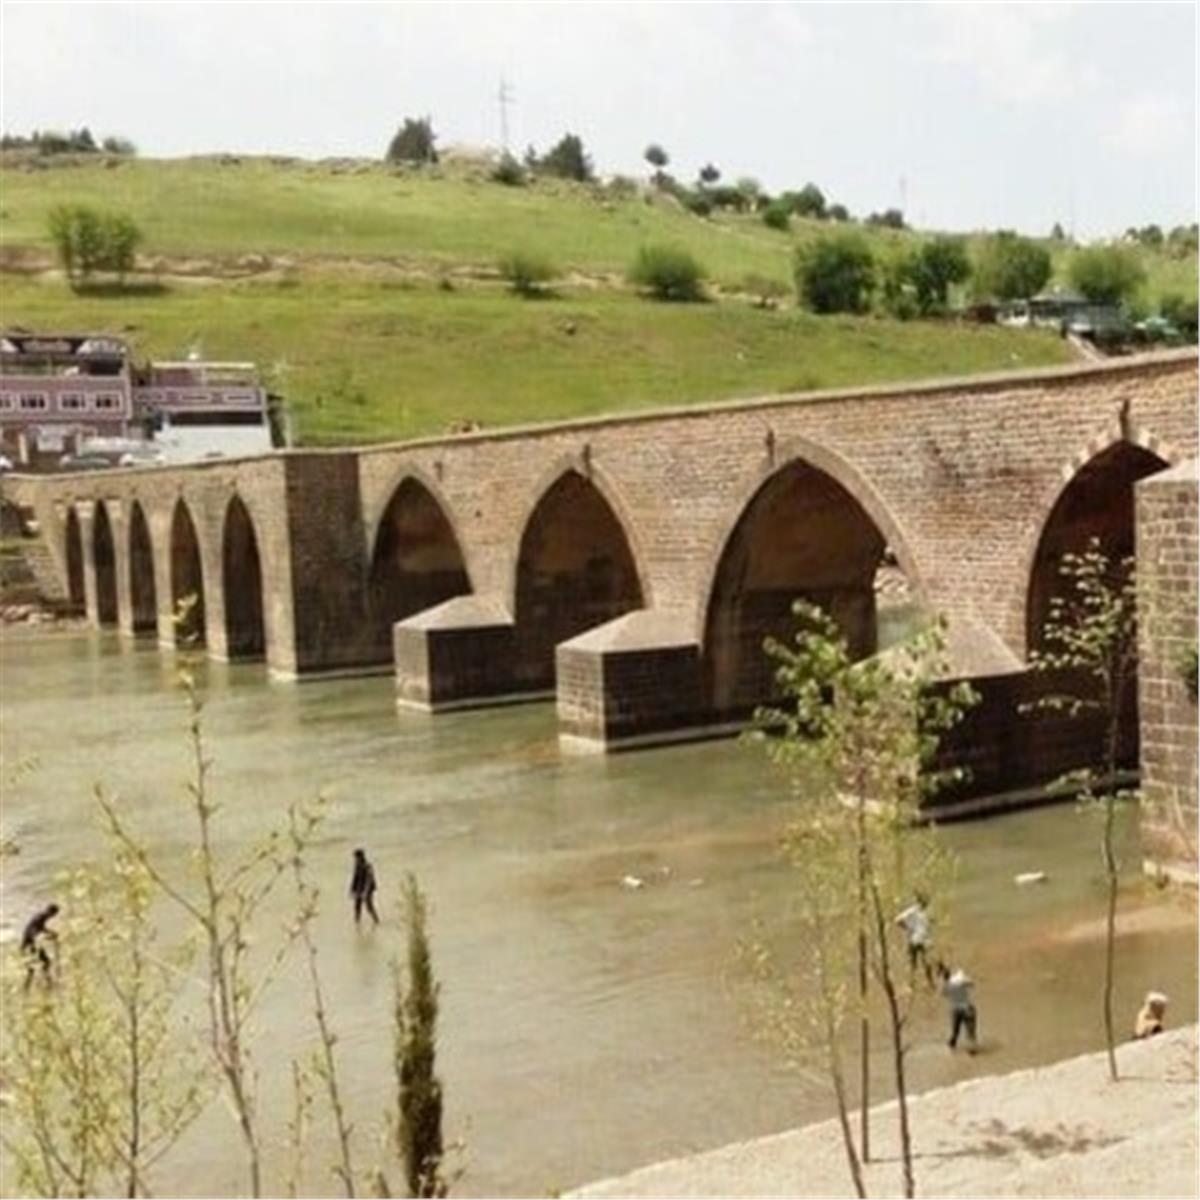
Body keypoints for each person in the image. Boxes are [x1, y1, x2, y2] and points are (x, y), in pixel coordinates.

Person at [938, 960, 978, 1054]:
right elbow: (971, 983)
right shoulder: (960, 982)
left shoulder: (946, 986)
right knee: (971, 1033)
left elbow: (942, 993)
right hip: (967, 1008)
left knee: (954, 1033)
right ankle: (972, 1052)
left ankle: (951, 1049)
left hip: (955, 1010)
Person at [895, 892, 934, 987]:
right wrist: (908, 928)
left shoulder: (924, 912)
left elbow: (926, 925)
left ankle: (928, 983)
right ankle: (913, 984)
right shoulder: (913, 910)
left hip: (922, 940)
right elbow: (897, 920)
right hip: (915, 940)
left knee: (925, 962)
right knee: (916, 963)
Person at [20, 903, 60, 989]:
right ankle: (46, 984)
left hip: (30, 943)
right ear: (51, 912)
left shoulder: (41, 917)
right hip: (30, 944)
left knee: (42, 963)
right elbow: (32, 931)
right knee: (40, 964)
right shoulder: (40, 917)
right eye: (53, 915)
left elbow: (40, 929)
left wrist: (51, 933)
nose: (52, 917)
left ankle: (47, 983)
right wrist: (49, 937)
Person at [350, 848, 379, 926]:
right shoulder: (357, 866)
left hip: (367, 889)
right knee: (357, 907)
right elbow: (355, 878)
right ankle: (357, 923)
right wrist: (352, 889)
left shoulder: (367, 866)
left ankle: (376, 921)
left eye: (356, 858)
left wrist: (366, 891)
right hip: (359, 888)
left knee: (369, 907)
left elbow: (370, 879)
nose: (355, 860)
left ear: (361, 857)